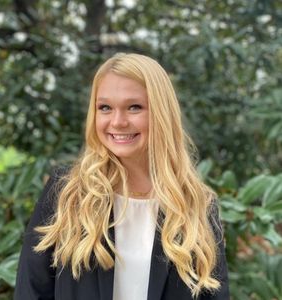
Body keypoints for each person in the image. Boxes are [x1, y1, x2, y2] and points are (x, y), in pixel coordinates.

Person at [14, 53, 230, 300]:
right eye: (105, 107)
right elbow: (31, 290)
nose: (117, 122)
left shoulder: (196, 205)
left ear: (162, 113)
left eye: (134, 107)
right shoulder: (67, 193)